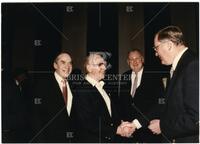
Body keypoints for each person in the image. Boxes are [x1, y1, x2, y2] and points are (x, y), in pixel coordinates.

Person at [148, 26, 199, 143]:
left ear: (169, 45)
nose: (156, 54)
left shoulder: (193, 65)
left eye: (156, 48)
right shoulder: (183, 65)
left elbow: (196, 119)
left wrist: (162, 126)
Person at [71, 53, 135, 143]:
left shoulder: (104, 86)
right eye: (100, 65)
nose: (105, 68)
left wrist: (121, 124)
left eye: (104, 65)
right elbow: (88, 123)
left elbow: (109, 114)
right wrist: (117, 130)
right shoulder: (81, 90)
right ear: (89, 68)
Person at [119, 49, 164, 142]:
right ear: (128, 62)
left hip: (148, 128)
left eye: (137, 58)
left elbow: (161, 101)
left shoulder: (153, 75)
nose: (134, 62)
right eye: (131, 59)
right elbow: (121, 102)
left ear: (142, 60)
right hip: (129, 132)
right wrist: (123, 122)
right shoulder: (124, 76)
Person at [32, 52, 76, 142]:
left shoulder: (74, 86)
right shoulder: (43, 85)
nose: (67, 66)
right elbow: (35, 117)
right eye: (63, 62)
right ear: (55, 65)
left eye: (70, 63)